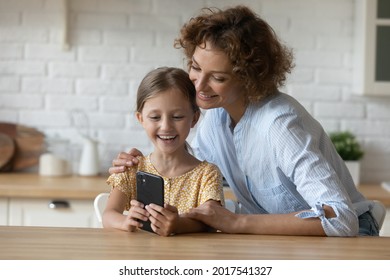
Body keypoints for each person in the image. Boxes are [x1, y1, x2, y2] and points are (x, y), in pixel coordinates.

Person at [109, 6, 379, 236]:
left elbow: (341, 218)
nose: (199, 86)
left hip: (347, 239)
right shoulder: (215, 114)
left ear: (249, 77)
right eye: (195, 67)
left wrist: (237, 222)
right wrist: (143, 162)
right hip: (272, 241)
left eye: (218, 78)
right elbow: (188, 167)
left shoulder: (280, 126)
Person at [103, 67, 224, 236]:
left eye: (177, 117)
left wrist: (179, 225)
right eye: (155, 117)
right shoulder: (132, 168)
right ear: (141, 119)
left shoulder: (207, 174)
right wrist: (126, 221)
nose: (166, 126)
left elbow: (211, 222)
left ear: (194, 118)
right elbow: (108, 215)